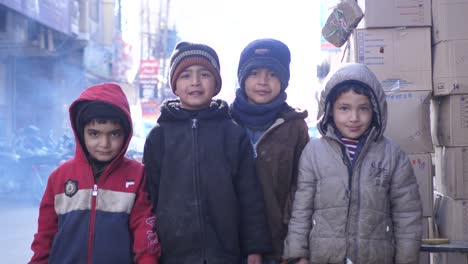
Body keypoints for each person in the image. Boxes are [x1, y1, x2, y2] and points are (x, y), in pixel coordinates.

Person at [143, 41, 272, 264]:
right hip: (173, 253)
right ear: (174, 85)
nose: (195, 82)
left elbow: (249, 197)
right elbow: (148, 198)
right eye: (185, 75)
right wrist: (148, 251)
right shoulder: (159, 136)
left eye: (204, 74)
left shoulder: (232, 134)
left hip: (225, 253)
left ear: (216, 84)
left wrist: (255, 249)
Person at [283, 63, 423, 264]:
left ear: (375, 109)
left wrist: (406, 260)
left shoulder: (392, 155)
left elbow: (407, 215)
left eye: (363, 108)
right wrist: (298, 255)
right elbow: (301, 210)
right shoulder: (313, 153)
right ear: (330, 109)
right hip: (323, 257)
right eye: (344, 108)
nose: (354, 118)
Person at [29, 82, 160, 264]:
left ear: (126, 133)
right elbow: (45, 236)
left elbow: (144, 232)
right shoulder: (59, 177)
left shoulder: (137, 175)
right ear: (80, 133)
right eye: (94, 134)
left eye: (114, 134)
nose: (104, 143)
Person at [230, 38, 310, 264]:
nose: (263, 81)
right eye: (254, 72)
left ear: (284, 80)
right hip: (230, 244)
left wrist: (296, 248)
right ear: (243, 77)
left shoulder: (295, 126)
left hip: (278, 244)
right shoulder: (224, 122)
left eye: (273, 74)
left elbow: (302, 189)